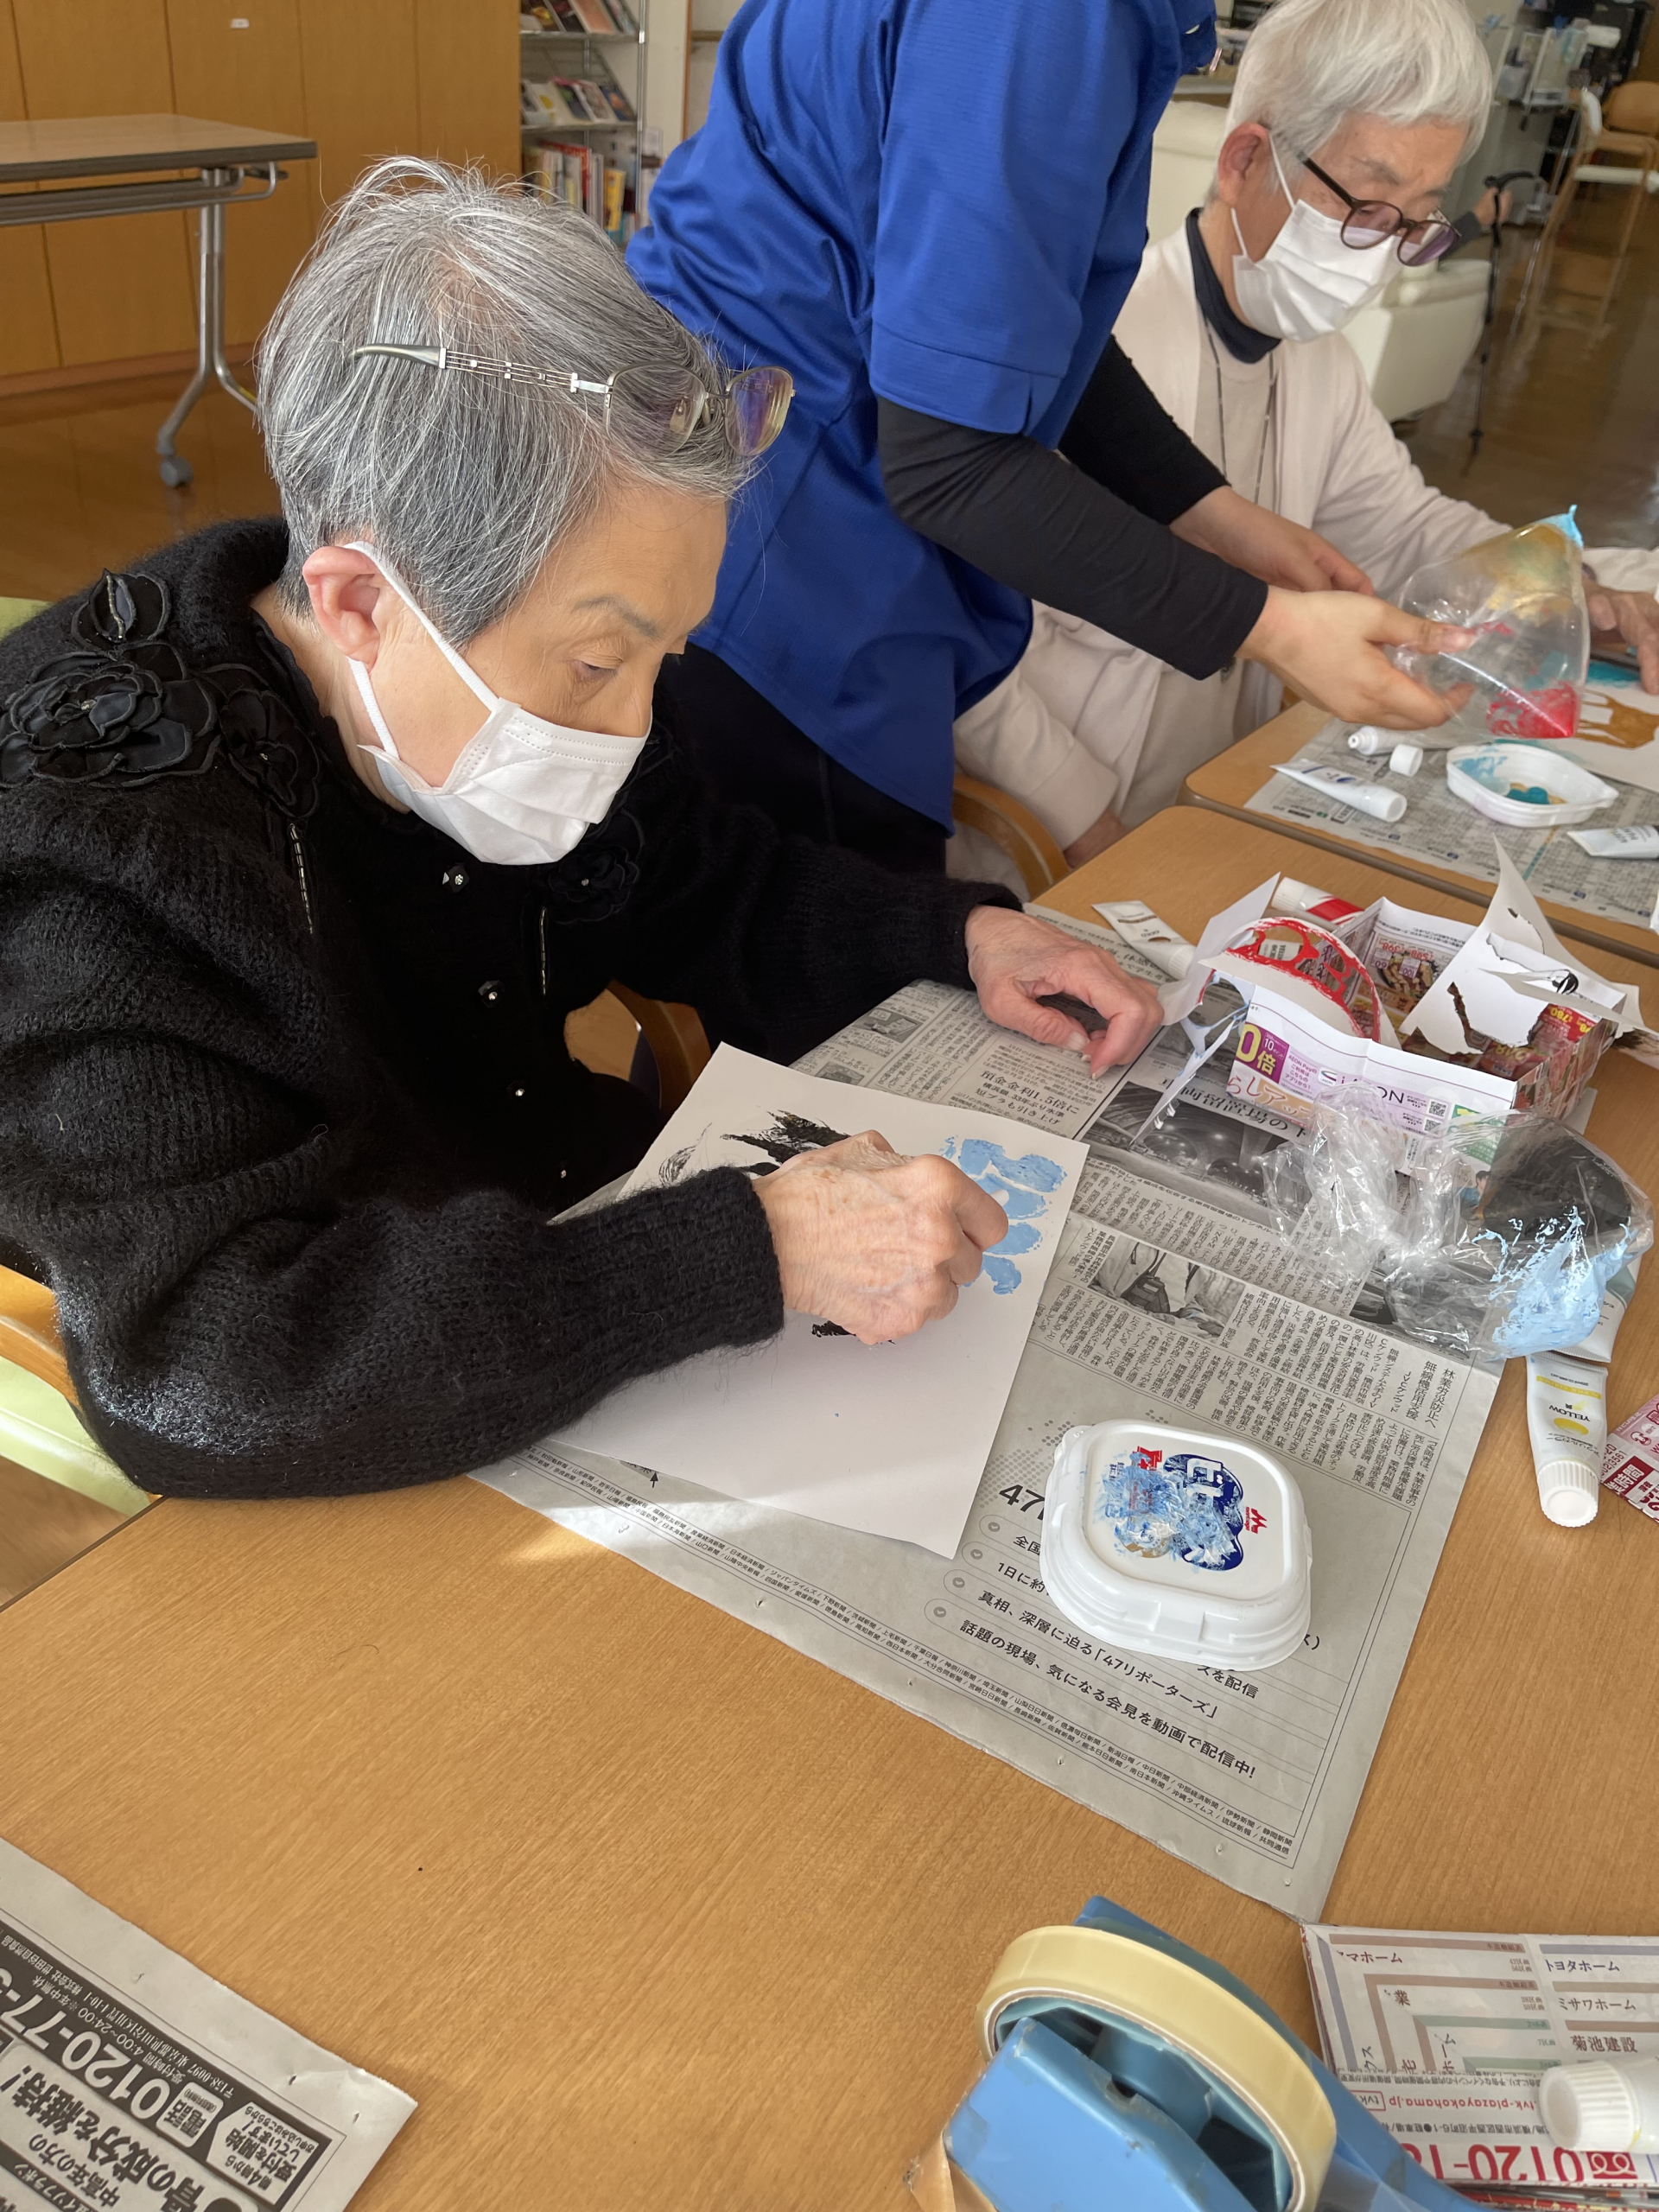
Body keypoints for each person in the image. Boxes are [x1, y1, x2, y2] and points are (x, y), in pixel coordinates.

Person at [0, 162, 1165, 1503]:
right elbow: (213, 1363)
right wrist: (751, 1253)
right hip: (366, 1422)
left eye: (668, 654)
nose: (634, 728)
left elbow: (699, 879)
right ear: (359, 603)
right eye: (602, 663)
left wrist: (956, 935)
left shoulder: (503, 645)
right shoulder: (106, 866)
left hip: (553, 1266)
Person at [628, 0, 1476, 876]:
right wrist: (1270, 626)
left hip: (756, 485)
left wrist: (1211, 512)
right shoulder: (1045, 17)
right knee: (818, 936)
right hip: (781, 543)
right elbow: (951, 465)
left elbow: (999, 304)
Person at [952, 0, 1659, 842]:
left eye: (1416, 220)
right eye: (1368, 207)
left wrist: (1562, 586)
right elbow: (964, 644)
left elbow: (1404, 530)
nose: (1384, 253)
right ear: (1245, 162)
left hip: (1233, 803)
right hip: (1073, 831)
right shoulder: (1088, 348)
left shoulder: (1319, 361)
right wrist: (1085, 829)